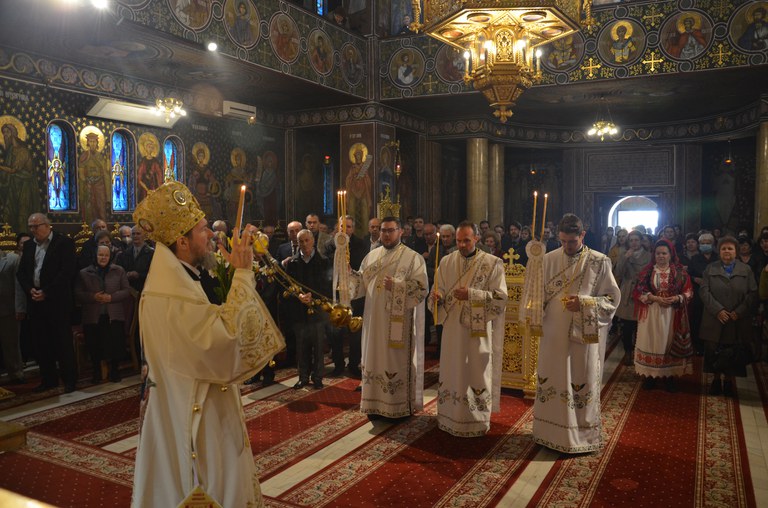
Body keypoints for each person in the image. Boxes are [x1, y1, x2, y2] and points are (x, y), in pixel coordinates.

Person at [131, 181, 285, 508]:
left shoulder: (173, 282)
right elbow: (225, 342)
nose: (211, 235)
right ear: (182, 241)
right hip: (195, 416)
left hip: (178, 402)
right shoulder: (173, 295)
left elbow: (204, 329)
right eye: (203, 230)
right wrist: (242, 275)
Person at [532, 214, 620, 454]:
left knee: (581, 379)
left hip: (583, 337)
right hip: (552, 334)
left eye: (571, 241)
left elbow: (611, 299)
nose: (567, 246)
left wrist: (584, 303)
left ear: (582, 235)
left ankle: (582, 436)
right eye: (562, 241)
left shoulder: (599, 261)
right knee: (553, 378)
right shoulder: (548, 259)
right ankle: (549, 433)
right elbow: (536, 296)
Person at [349, 217, 428, 420]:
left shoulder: (413, 258)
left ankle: (398, 407)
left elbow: (421, 289)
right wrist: (348, 273)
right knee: (373, 357)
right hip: (373, 320)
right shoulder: (371, 256)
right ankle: (374, 405)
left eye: (390, 230)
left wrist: (398, 287)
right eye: (383, 230)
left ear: (400, 232)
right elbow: (359, 286)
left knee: (395, 361)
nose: (386, 234)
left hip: (397, 324)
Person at [432, 222, 507, 436]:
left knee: (476, 369)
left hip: (477, 331)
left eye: (466, 240)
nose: (462, 245)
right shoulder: (446, 262)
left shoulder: (492, 263)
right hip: (452, 330)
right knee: (453, 369)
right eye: (458, 241)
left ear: (476, 238)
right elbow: (437, 290)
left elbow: (501, 298)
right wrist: (436, 298)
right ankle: (450, 415)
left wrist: (472, 295)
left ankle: (477, 419)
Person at [17, 213, 78, 393]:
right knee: (41, 343)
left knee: (62, 342)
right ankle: (49, 379)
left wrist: (46, 292)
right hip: (35, 301)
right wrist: (30, 290)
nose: (33, 230)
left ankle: (69, 380)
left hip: (57, 301)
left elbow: (67, 272)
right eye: (30, 227)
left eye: (36, 226)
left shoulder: (64, 243)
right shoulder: (29, 246)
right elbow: (21, 273)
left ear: (47, 225)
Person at [699, 236, 758, 397]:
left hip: (736, 318)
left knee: (732, 350)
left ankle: (728, 381)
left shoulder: (746, 270)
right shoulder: (710, 268)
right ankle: (716, 380)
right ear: (719, 251)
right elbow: (704, 291)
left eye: (730, 249)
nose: (727, 251)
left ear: (736, 252)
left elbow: (752, 293)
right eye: (723, 248)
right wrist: (718, 310)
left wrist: (739, 311)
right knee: (714, 350)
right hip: (714, 318)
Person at [633, 240, 693, 392]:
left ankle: (669, 376)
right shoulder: (647, 272)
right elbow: (638, 291)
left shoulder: (680, 272)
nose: (661, 256)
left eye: (664, 253)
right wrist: (654, 298)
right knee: (651, 340)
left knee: (668, 340)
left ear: (670, 254)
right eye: (658, 253)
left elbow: (689, 291)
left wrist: (677, 298)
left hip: (672, 313)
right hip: (651, 312)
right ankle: (650, 376)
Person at [75, 245, 130, 383]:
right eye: (100, 255)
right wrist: (93, 297)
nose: (103, 258)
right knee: (94, 344)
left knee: (116, 342)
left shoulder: (119, 270)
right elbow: (78, 294)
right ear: (95, 255)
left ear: (110, 256)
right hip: (93, 316)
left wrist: (111, 298)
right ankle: (97, 372)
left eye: (106, 255)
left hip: (114, 314)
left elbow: (126, 291)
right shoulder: (84, 273)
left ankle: (115, 370)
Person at [286, 229, 331, 389]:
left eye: (307, 240)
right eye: (301, 241)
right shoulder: (292, 262)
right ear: (297, 243)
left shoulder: (324, 261)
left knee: (318, 346)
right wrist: (298, 295)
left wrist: (314, 296)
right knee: (301, 346)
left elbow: (328, 285)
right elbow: (288, 286)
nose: (304, 244)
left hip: (318, 311)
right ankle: (303, 377)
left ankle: (318, 377)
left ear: (313, 241)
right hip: (299, 310)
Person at [614, 230, 651, 365]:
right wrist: (625, 258)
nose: (634, 243)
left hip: (642, 292)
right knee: (627, 326)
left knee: (640, 326)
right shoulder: (624, 254)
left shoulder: (649, 255)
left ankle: (639, 351)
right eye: (631, 240)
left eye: (636, 240)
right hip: (628, 292)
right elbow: (618, 273)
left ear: (641, 241)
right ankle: (628, 351)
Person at [0, 246, 25, 384]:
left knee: (11, 344)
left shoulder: (12, 259)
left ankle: (16, 374)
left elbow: (18, 286)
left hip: (8, 309)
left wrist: (20, 307)